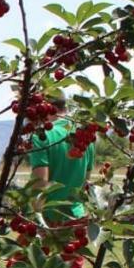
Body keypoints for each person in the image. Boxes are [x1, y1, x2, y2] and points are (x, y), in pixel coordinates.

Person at [29, 93, 95, 221]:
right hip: (77, 218)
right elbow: (85, 182)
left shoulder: (41, 136)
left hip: (51, 218)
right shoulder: (86, 138)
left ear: (44, 108)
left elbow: (40, 184)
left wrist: (36, 220)